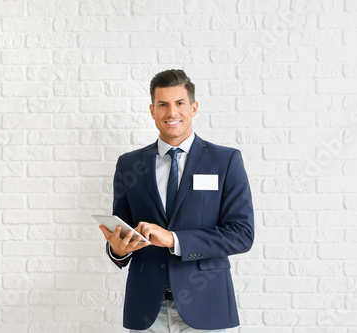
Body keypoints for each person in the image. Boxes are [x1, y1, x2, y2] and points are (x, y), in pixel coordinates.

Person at [99, 69, 254, 332]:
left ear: (193, 108)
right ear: (152, 110)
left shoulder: (225, 161)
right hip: (147, 309)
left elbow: (242, 234)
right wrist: (118, 250)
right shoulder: (129, 165)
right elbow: (122, 230)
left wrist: (174, 239)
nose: (172, 112)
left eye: (180, 103)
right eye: (163, 104)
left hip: (206, 306)